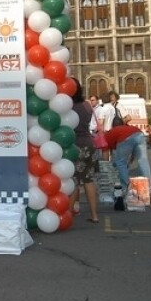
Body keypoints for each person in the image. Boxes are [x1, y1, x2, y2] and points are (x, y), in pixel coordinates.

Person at [69, 79, 99, 223]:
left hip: (75, 145)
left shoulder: (68, 107)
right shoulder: (87, 105)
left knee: (74, 180)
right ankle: (94, 215)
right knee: (88, 179)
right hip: (89, 143)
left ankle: (68, 214)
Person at [105, 123, 151, 193]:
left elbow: (106, 158)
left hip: (126, 137)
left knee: (121, 163)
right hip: (139, 134)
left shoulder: (104, 139)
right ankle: (148, 188)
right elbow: (131, 150)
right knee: (143, 161)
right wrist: (131, 160)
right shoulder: (113, 133)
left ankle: (126, 187)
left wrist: (106, 169)